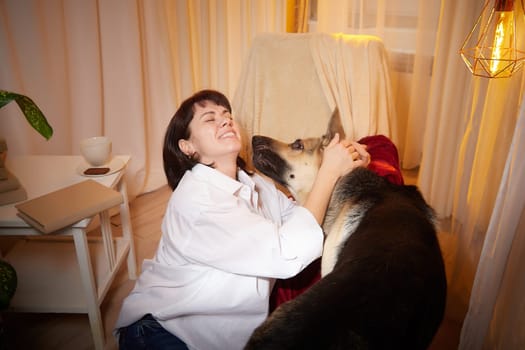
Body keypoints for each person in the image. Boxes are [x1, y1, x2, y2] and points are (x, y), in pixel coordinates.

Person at [115, 89, 370, 350]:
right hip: (163, 330)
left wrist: (344, 166)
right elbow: (288, 253)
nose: (225, 120)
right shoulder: (199, 202)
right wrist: (329, 171)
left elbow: (297, 216)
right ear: (188, 147)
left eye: (227, 114)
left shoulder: (253, 182)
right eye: (209, 118)